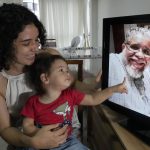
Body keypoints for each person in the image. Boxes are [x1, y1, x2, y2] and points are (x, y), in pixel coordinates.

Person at [20, 52, 127, 150]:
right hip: (41, 142)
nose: (67, 73)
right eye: (61, 70)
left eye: (67, 70)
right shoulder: (32, 102)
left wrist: (114, 89)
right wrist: (40, 135)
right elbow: (27, 126)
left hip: (67, 142)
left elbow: (93, 99)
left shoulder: (71, 95)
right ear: (45, 78)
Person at [0, 3, 69, 150]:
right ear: (5, 45)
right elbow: (5, 129)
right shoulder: (1, 82)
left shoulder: (49, 57)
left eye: (36, 40)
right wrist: (32, 142)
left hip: (64, 137)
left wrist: (95, 86)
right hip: (24, 141)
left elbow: (71, 83)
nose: (35, 48)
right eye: (26, 43)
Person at [109, 26, 150, 117]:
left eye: (146, 52)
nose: (140, 55)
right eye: (134, 47)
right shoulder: (112, 61)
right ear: (124, 47)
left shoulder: (146, 73)